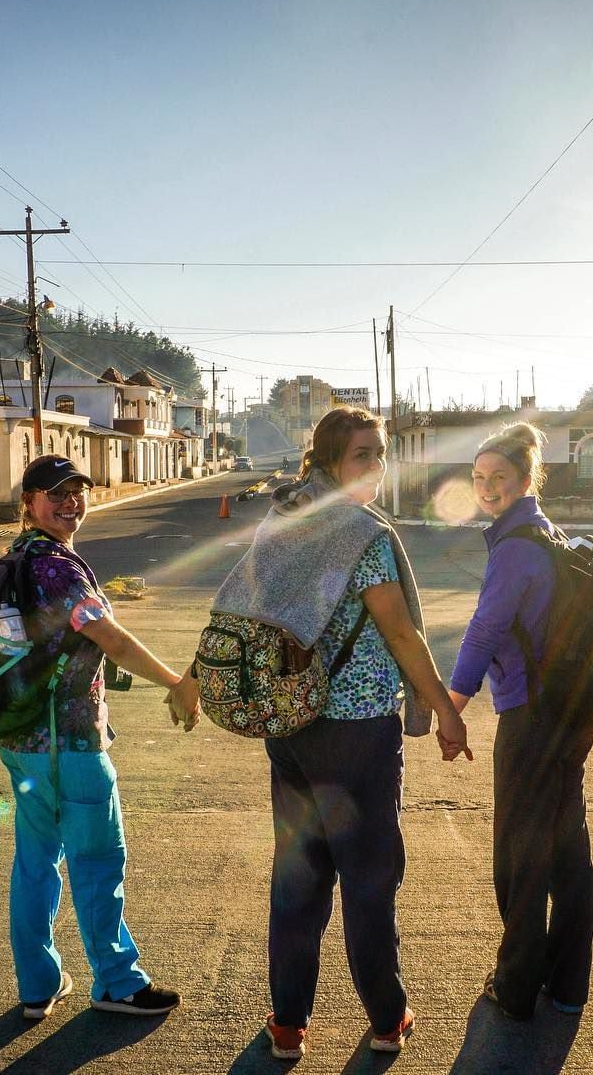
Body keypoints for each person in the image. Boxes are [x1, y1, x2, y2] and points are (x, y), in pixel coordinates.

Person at [208, 406, 470, 1060]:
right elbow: (401, 632)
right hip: (356, 733)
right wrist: (442, 705)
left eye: (381, 453)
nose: (377, 467)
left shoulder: (283, 520)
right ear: (330, 460)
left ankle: (288, 1022)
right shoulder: (362, 534)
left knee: (298, 875)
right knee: (369, 875)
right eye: (363, 455)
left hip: (291, 723)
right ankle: (387, 1017)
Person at [0, 453, 201, 1020]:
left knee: (35, 862)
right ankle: (117, 982)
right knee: (97, 859)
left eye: (77, 491)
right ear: (29, 503)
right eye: (55, 493)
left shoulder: (14, 563)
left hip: (21, 745)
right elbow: (109, 640)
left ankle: (37, 985)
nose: (70, 502)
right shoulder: (59, 570)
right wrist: (176, 682)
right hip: (70, 745)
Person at [446, 423, 593, 1019]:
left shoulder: (514, 547)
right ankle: (567, 984)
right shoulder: (551, 535)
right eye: (479, 478)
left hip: (530, 716)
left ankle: (516, 985)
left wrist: (451, 704)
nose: (486, 488)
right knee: (568, 848)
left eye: (498, 479)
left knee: (519, 853)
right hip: (570, 713)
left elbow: (485, 629)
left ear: (526, 480)